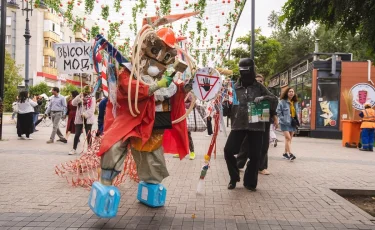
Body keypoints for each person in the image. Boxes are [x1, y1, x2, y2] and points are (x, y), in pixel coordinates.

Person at [224, 58, 277, 191]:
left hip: (257, 125)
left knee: (255, 155)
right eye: (242, 70)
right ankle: (234, 176)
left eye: (247, 70)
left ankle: (250, 182)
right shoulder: (234, 88)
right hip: (238, 124)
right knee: (228, 150)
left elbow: (274, 100)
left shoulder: (259, 87)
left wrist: (263, 98)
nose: (245, 73)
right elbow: (226, 106)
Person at [236, 74, 278, 175]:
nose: (259, 83)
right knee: (246, 143)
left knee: (264, 144)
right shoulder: (248, 93)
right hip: (251, 120)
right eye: (257, 81)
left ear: (263, 82)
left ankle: (261, 166)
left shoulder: (267, 93)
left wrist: (275, 117)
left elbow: (274, 102)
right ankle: (238, 163)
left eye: (261, 81)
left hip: (264, 120)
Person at [69, 86, 96, 155]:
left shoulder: (92, 98)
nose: (85, 93)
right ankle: (74, 149)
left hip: (88, 119)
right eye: (84, 92)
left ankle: (89, 149)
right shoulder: (80, 97)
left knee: (88, 133)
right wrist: (79, 96)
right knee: (77, 133)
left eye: (87, 92)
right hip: (79, 118)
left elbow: (92, 109)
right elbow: (73, 103)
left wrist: (85, 114)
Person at [276, 87, 299, 161]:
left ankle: (285, 153)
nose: (291, 93)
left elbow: (296, 113)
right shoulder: (282, 102)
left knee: (289, 139)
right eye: (289, 91)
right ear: (286, 93)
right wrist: (283, 119)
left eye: (292, 91)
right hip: (284, 123)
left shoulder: (295, 102)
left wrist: (297, 120)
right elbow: (278, 112)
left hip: (292, 122)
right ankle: (290, 154)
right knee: (288, 138)